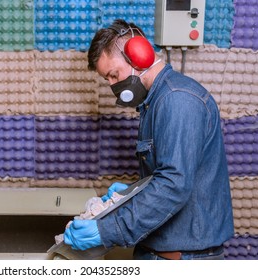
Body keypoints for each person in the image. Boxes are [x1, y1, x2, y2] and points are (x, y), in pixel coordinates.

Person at [63, 19, 234, 260]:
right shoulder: (156, 102)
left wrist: (107, 231)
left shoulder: (178, 100)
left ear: (139, 56)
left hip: (182, 259)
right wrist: (132, 193)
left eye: (113, 75)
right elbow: (170, 174)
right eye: (107, 79)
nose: (113, 85)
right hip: (160, 253)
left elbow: (173, 184)